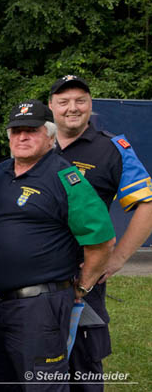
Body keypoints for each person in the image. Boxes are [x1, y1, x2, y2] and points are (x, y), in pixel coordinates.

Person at [0, 100, 115, 391]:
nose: (22, 137)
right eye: (16, 131)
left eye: (31, 131)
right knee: (3, 383)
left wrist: (83, 286)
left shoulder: (67, 178)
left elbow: (101, 240)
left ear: (50, 137)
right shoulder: (0, 172)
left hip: (40, 308)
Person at [48, 74, 152, 391]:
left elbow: (147, 205)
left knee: (83, 372)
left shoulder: (112, 149)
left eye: (80, 100)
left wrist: (117, 259)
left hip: (84, 280)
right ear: (51, 106)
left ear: (90, 105)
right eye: (63, 101)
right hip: (35, 279)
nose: (72, 108)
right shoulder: (36, 142)